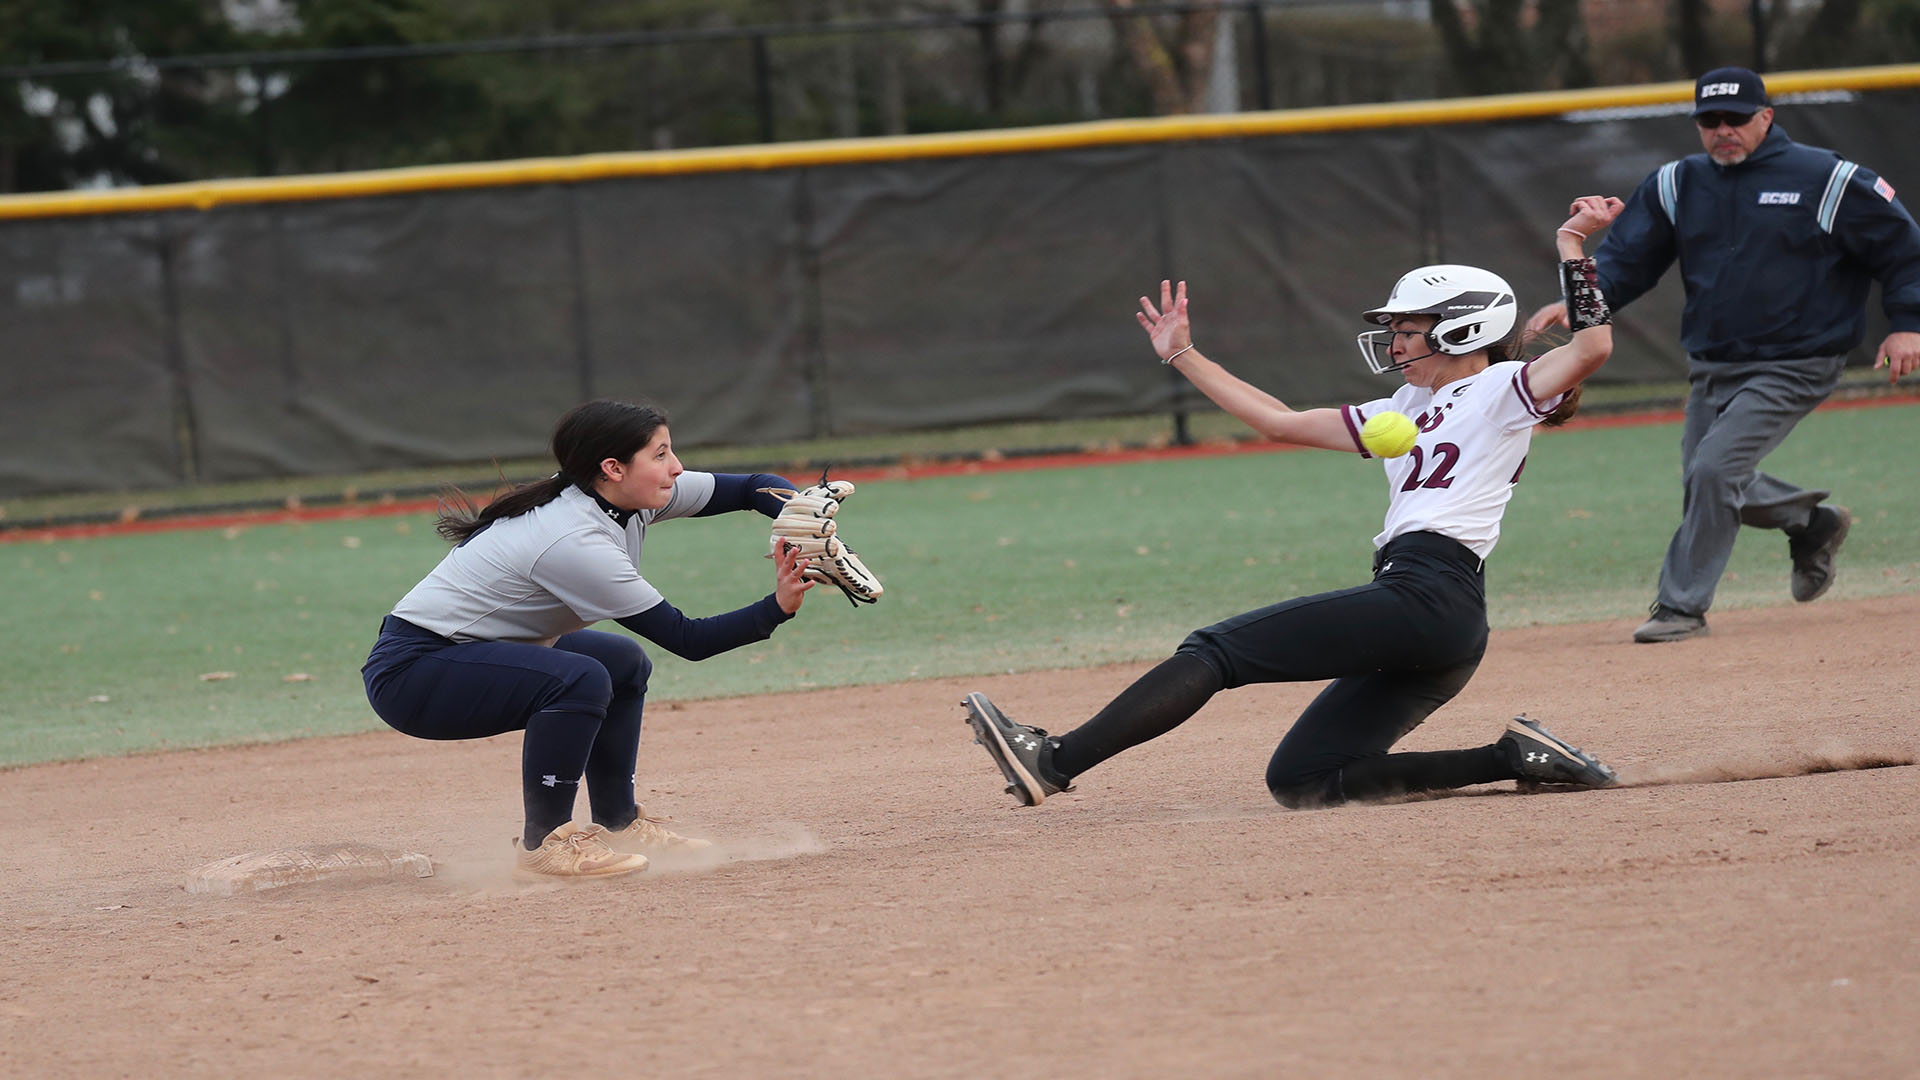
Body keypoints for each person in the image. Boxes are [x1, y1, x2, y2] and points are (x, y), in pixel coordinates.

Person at [962, 197, 1627, 810]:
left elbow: (1593, 346)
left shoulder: (1506, 388)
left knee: (1215, 651)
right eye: (1393, 329)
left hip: (1431, 594)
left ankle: (1052, 761)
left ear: (1463, 328)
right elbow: (1278, 421)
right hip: (1438, 618)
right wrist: (1184, 355)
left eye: (1409, 328)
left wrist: (1572, 244)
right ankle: (1515, 756)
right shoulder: (1403, 407)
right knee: (1305, 780)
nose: (1394, 342)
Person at [1526, 67, 1920, 644]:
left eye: (1736, 118)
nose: (1722, 130)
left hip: (1799, 359)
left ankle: (1681, 606)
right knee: (1707, 480)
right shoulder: (1677, 183)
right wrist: (1584, 300)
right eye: (1710, 120)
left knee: (1714, 471)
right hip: (1714, 360)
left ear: (1766, 117)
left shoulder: (1828, 179)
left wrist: (1908, 324)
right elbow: (1629, 260)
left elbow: (1903, 249)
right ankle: (1810, 523)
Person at [362, 399, 817, 881]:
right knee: (579, 677)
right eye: (660, 455)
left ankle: (618, 822)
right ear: (613, 468)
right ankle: (545, 845)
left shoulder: (620, 496)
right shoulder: (574, 540)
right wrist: (778, 606)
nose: (676, 468)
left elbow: (752, 487)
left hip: (465, 653)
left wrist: (801, 520)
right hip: (416, 675)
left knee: (621, 661)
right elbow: (689, 638)